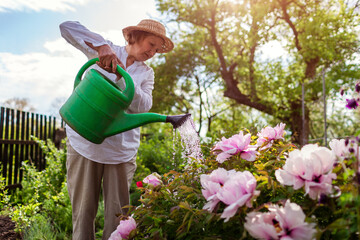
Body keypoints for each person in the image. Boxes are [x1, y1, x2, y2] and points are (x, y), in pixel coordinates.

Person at [59, 19, 174, 240]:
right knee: (83, 212)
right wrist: (100, 45)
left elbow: (144, 106)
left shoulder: (146, 73)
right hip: (85, 143)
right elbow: (66, 27)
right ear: (135, 36)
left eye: (158, 50)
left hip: (121, 151)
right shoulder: (104, 50)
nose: (153, 52)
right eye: (151, 44)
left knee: (118, 217)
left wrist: (123, 77)